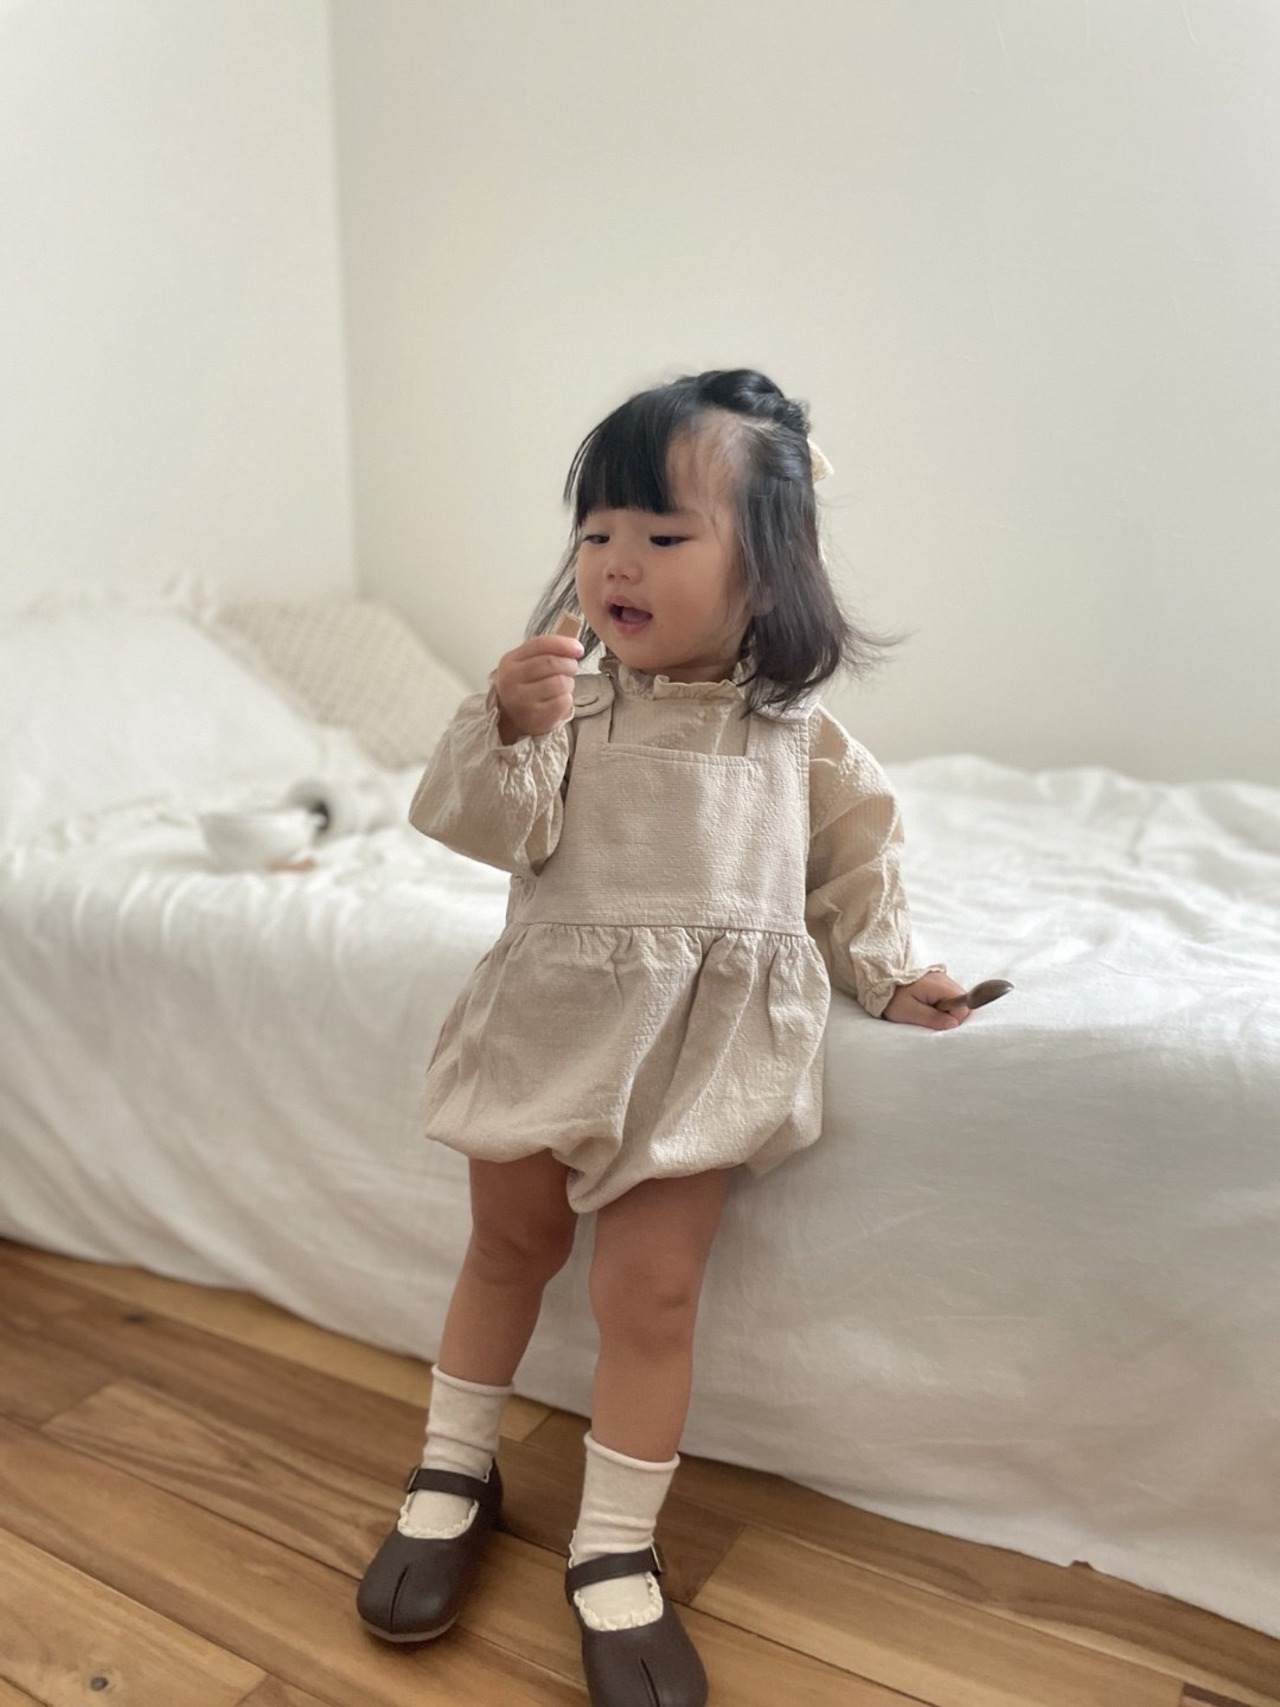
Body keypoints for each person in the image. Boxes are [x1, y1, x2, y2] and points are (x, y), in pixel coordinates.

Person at [356, 368, 973, 1706]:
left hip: (700, 1056)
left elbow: (854, 862)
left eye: (662, 532)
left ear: (769, 568)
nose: (614, 561)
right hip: (549, 1024)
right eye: (596, 530)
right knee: (506, 1247)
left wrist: (886, 976)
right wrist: (502, 723)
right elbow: (480, 826)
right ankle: (454, 1466)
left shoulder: (794, 735)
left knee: (654, 1297)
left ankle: (616, 1542)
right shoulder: (571, 705)